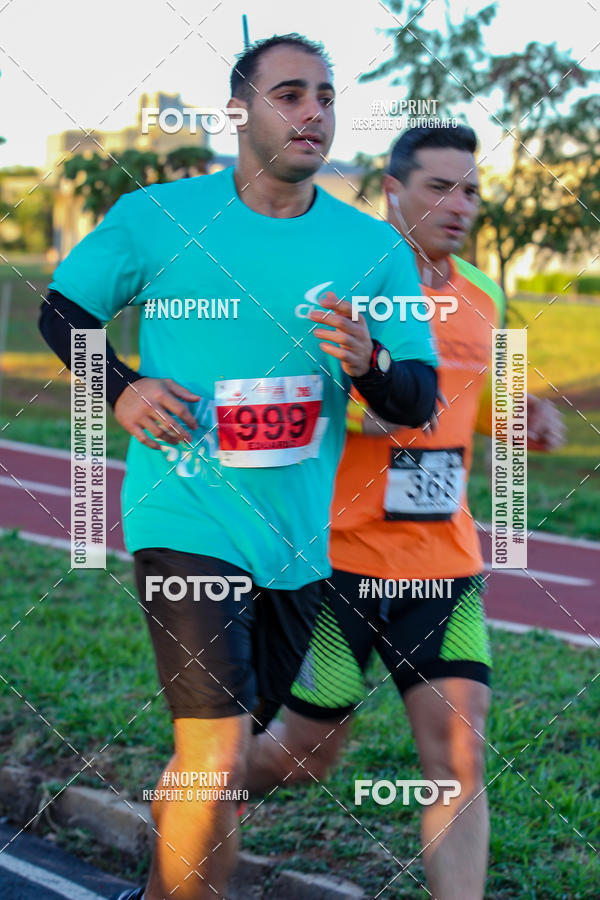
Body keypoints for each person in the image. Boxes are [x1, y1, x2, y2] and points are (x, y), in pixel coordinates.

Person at [39, 36, 438, 900]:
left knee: (222, 769)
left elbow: (419, 399)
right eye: (290, 94)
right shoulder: (159, 217)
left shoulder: (373, 249)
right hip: (184, 516)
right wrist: (120, 387)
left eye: (326, 97)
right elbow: (60, 306)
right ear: (239, 111)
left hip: (295, 546)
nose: (313, 113)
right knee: (215, 747)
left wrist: (369, 364)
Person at [246, 124, 565, 900]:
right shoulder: (340, 285)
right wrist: (367, 411)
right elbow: (274, 402)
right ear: (393, 190)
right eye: (440, 187)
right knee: (303, 757)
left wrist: (519, 416)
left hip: (442, 565)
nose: (461, 205)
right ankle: (192, 790)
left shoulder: (486, 295)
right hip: (335, 568)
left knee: (459, 756)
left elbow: (475, 400)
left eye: (473, 190)